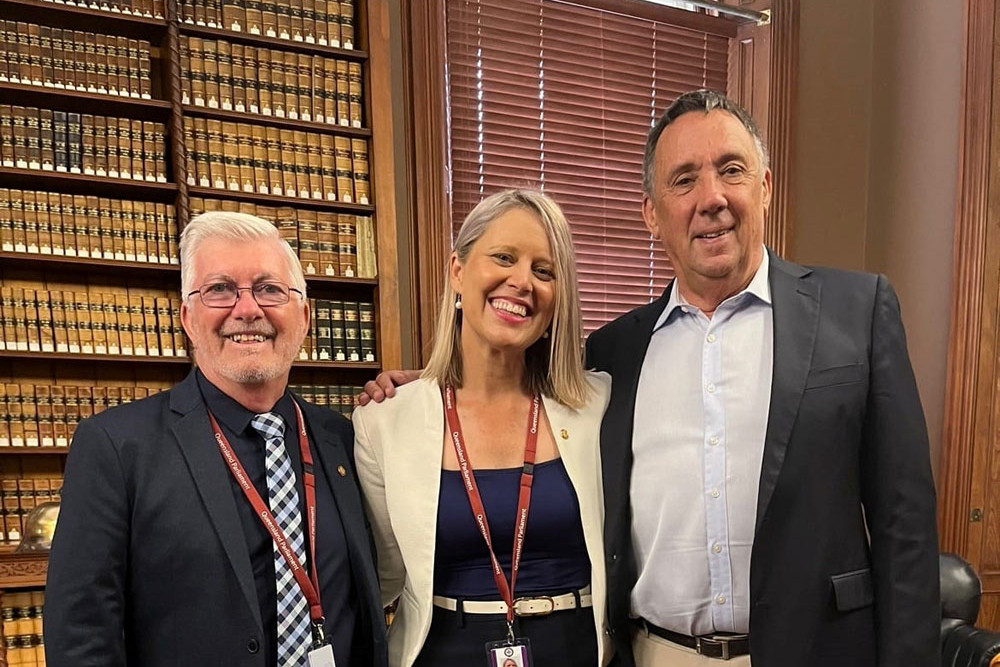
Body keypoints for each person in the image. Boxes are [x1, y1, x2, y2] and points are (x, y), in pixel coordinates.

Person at [360, 90, 940, 667]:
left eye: (731, 170)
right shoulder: (614, 357)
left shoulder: (855, 313)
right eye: (683, 180)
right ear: (652, 213)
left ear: (764, 186)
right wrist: (421, 392)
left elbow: (903, 524)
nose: (710, 198)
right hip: (655, 653)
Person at [45, 211, 388, 667]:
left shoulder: (343, 439)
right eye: (220, 289)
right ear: (188, 317)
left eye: (269, 289)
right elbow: (80, 636)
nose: (247, 309)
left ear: (304, 316)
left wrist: (419, 392)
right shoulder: (115, 446)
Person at [352, 190, 612, 666]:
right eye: (504, 258)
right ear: (458, 270)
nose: (522, 281)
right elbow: (383, 576)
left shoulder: (599, 405)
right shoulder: (384, 420)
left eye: (544, 270)